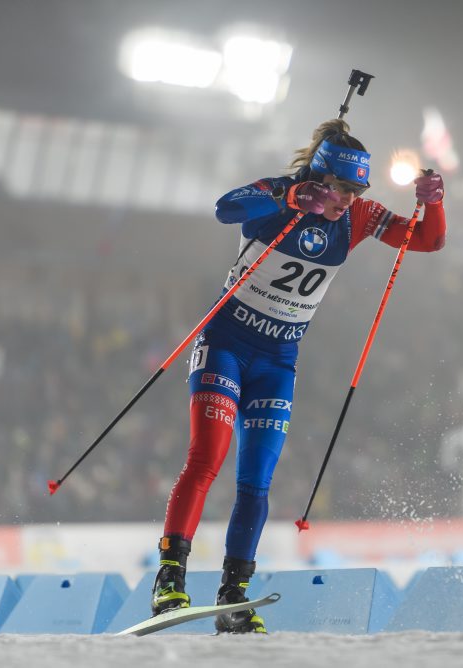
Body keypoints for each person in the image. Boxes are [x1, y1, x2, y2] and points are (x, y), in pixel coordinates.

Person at [151, 118, 447, 633]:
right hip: (226, 344)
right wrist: (291, 201)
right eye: (342, 189)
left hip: (278, 362)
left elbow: (425, 240)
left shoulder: (358, 218)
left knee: (256, 483)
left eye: (357, 191)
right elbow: (227, 209)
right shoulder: (279, 191)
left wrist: (435, 200)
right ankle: (169, 579)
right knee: (207, 458)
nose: (348, 201)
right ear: (320, 177)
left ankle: (233, 595)